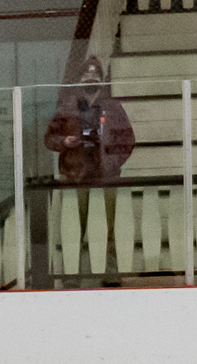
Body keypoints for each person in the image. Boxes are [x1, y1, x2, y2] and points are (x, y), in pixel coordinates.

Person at [44, 56, 136, 285]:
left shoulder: (113, 108)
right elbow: (49, 138)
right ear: (79, 79)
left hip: (107, 176)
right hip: (76, 176)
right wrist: (65, 141)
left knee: (110, 227)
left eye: (95, 75)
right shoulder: (67, 108)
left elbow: (128, 140)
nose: (90, 78)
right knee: (74, 228)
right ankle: (71, 275)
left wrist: (113, 162)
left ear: (102, 79)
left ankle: (111, 272)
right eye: (86, 74)